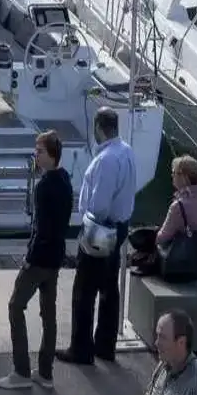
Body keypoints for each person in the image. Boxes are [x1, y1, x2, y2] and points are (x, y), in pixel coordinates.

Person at [61, 107, 136, 366]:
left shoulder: (105, 160)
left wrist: (87, 225)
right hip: (120, 225)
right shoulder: (126, 151)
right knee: (108, 287)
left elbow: (100, 203)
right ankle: (105, 345)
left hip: (101, 228)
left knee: (84, 289)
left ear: (97, 127)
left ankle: (81, 349)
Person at [0, 130, 69, 390]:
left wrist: (29, 258)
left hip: (39, 259)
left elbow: (41, 227)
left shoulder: (44, 187)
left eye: (39, 151)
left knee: (16, 306)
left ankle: (21, 371)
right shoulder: (64, 179)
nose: (35, 155)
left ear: (51, 156)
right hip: (56, 258)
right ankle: (46, 372)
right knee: (48, 314)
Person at [157, 156, 197, 249]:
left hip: (184, 260)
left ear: (184, 177)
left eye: (174, 172)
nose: (172, 175)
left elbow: (162, 238)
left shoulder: (178, 206)